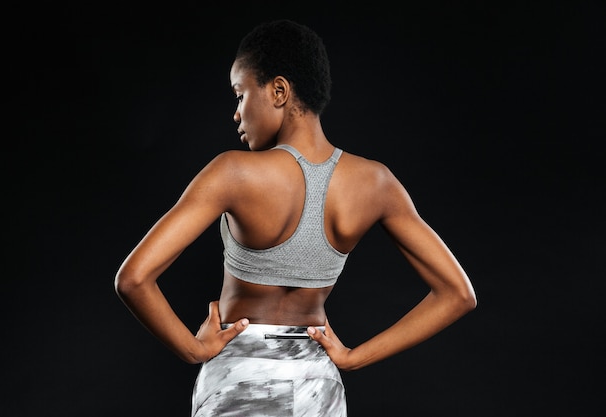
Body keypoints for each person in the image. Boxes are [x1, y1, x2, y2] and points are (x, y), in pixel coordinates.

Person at [114, 19, 477, 416]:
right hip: (316, 387)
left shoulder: (232, 173)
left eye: (240, 95)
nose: (236, 114)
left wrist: (193, 348)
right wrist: (354, 358)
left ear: (279, 91)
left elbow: (132, 278)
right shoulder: (375, 183)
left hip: (238, 378)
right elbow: (458, 294)